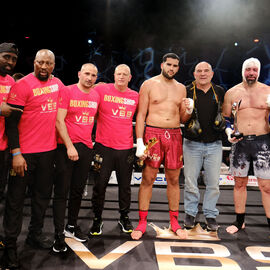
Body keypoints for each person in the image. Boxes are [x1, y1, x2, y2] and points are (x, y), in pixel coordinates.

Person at [2, 49, 65, 269]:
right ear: (34, 62)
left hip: (47, 152)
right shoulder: (22, 85)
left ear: (54, 65)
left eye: (48, 63)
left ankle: (34, 235)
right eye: (40, 62)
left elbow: (74, 96)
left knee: (42, 197)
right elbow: (11, 123)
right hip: (24, 153)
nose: (44, 67)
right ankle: (9, 246)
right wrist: (16, 152)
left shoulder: (57, 84)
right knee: (16, 201)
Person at [131, 53, 193, 240]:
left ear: (178, 68)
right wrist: (140, 142)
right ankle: (142, 222)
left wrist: (189, 110)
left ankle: (174, 222)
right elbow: (140, 115)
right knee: (148, 178)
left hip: (174, 134)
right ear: (162, 65)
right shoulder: (149, 85)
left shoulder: (182, 88)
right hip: (152, 135)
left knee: (174, 180)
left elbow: (183, 118)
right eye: (169, 64)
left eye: (175, 65)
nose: (171, 68)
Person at [52, 63, 99, 253]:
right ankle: (58, 235)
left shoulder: (96, 95)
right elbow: (58, 120)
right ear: (79, 73)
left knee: (78, 191)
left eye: (93, 75)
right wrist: (70, 145)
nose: (90, 77)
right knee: (62, 192)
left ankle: (71, 226)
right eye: (87, 73)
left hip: (86, 147)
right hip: (65, 147)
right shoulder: (67, 91)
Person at [89, 64, 139, 235]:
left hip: (125, 148)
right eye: (119, 73)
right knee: (99, 185)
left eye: (125, 74)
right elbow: (84, 88)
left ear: (130, 77)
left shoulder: (135, 96)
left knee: (125, 187)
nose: (121, 77)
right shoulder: (102, 89)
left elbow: (142, 118)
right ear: (114, 75)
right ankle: (97, 218)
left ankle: (124, 217)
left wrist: (142, 144)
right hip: (103, 147)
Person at [223, 57, 270, 234]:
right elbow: (226, 119)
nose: (251, 73)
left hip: (263, 141)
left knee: (266, 186)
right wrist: (229, 133)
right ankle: (239, 221)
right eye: (248, 69)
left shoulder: (268, 91)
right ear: (243, 70)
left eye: (254, 70)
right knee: (239, 183)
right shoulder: (232, 93)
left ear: (259, 72)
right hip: (240, 141)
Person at [182, 62, 225, 232]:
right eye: (199, 71)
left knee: (213, 183)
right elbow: (182, 118)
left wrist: (228, 129)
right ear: (194, 74)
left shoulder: (219, 91)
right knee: (190, 182)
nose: (202, 73)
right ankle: (190, 213)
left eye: (206, 70)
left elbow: (225, 114)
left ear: (212, 74)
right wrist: (186, 110)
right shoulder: (187, 91)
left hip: (215, 143)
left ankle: (210, 214)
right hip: (192, 143)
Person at [0, 43, 21, 204]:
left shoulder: (12, 82)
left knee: (1, 188)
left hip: (4, 145)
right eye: (6, 57)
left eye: (13, 59)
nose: (10, 62)